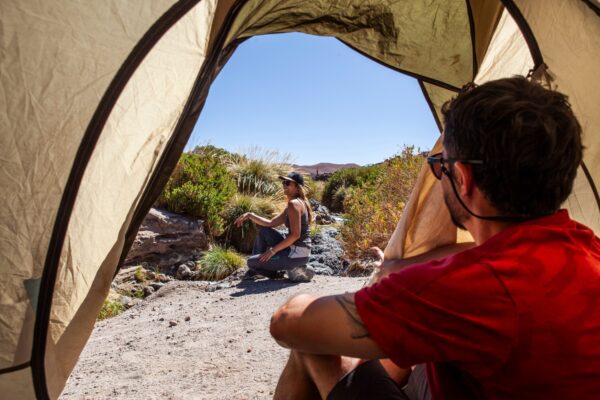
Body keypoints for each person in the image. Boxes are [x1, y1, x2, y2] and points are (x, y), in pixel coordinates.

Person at [268, 77, 600, 399]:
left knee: (311, 350)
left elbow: (286, 323)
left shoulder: (470, 288)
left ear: (461, 177)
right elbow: (472, 252)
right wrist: (400, 267)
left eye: (439, 165)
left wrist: (386, 282)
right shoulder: (585, 247)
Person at [235, 172, 314, 281]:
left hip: (297, 254)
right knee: (264, 231)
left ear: (297, 187)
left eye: (287, 183)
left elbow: (295, 235)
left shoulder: (294, 204)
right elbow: (270, 223)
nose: (284, 185)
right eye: (283, 183)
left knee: (251, 262)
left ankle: (271, 272)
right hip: (295, 250)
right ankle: (257, 270)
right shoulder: (294, 204)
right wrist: (250, 215)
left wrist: (272, 251)